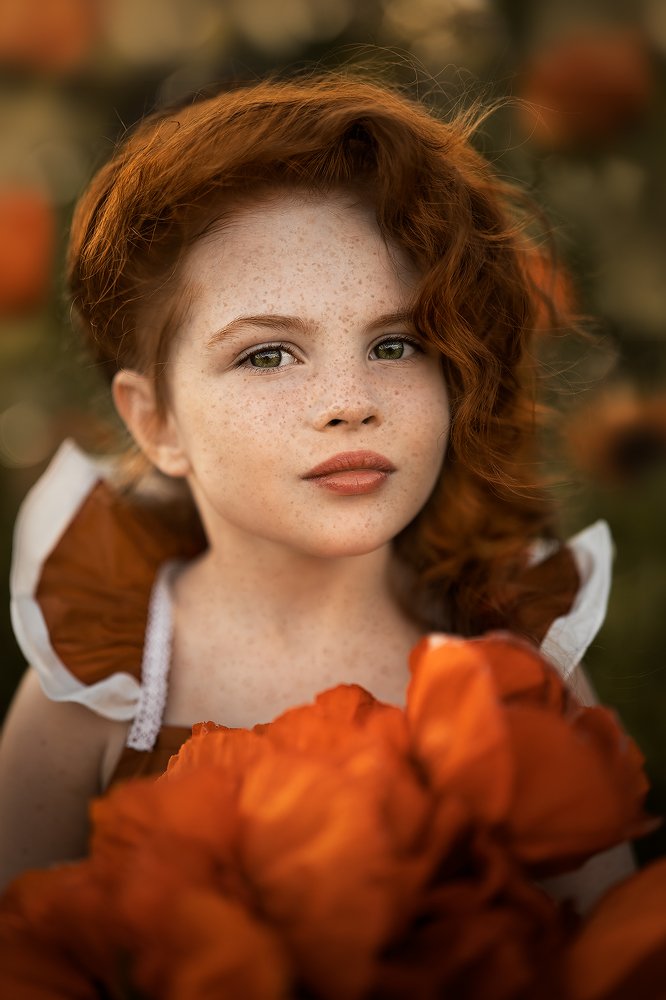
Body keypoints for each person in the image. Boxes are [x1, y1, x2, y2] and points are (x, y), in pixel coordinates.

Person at [0, 73, 633, 903]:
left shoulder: (515, 662)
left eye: (398, 344)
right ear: (157, 424)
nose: (349, 403)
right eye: (267, 354)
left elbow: (616, 957)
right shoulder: (98, 693)